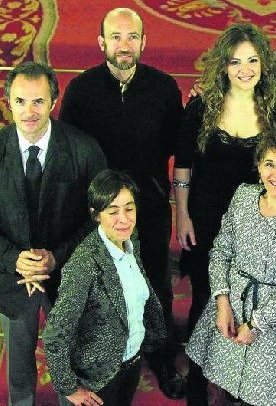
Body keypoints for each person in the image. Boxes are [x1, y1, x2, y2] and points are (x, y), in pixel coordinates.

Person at [58, 7, 185, 398]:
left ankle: (161, 357)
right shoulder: (81, 91)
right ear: (102, 43)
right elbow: (71, 152)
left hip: (147, 206)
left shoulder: (164, 88)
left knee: (157, 285)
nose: (124, 45)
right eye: (116, 37)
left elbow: (175, 147)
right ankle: (104, 356)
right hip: (100, 211)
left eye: (132, 37)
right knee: (103, 288)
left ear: (144, 42)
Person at [185, 129, 276, 406]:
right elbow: (220, 251)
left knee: (261, 398)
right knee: (221, 386)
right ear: (258, 168)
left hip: (273, 323)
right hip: (231, 305)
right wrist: (222, 302)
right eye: (269, 164)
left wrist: (255, 325)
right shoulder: (244, 197)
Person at [0, 61, 106, 406]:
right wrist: (15, 259)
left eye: (38, 102)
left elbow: (101, 218)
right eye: (20, 101)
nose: (29, 112)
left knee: (70, 348)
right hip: (12, 273)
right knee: (18, 351)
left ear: (54, 101)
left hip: (69, 269)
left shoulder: (84, 148)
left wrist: (56, 257)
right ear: (8, 102)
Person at [174, 23, 276, 334]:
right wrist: (182, 216)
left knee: (249, 300)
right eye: (235, 62)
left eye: (252, 61)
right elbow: (182, 167)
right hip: (206, 217)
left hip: (254, 222)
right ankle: (196, 379)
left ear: (263, 64)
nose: (245, 70)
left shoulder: (275, 110)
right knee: (205, 297)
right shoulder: (200, 109)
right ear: (223, 65)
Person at [43, 170, 167, 406]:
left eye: (129, 208)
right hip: (97, 380)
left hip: (130, 363)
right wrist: (68, 388)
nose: (124, 219)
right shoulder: (84, 264)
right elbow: (54, 335)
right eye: (113, 211)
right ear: (96, 215)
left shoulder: (131, 239)